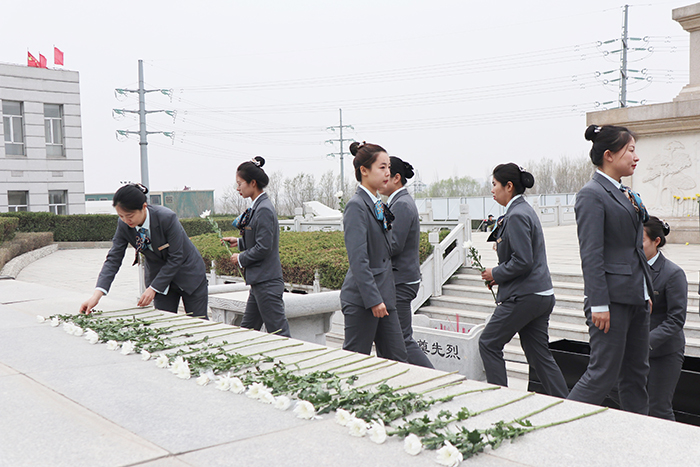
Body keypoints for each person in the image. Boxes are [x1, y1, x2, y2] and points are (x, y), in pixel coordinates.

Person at [567, 125, 653, 415]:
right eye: (630, 150)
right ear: (608, 155)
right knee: (602, 374)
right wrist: (598, 303)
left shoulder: (624, 192)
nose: (635, 157)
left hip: (636, 298)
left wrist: (645, 290)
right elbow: (591, 254)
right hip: (611, 302)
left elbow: (634, 248)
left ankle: (637, 433)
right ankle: (563, 423)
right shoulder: (592, 194)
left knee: (636, 375)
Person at [479, 163, 568, 397]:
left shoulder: (517, 214)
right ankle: (567, 403)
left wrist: (495, 273)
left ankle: (500, 399)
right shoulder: (523, 210)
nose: (492, 190)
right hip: (540, 294)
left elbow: (523, 261)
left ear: (509, 186)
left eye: (494, 185)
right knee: (539, 355)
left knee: (488, 343)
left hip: (524, 296)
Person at [80, 183, 209, 318]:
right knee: (163, 326)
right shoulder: (124, 225)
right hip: (160, 280)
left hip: (188, 275)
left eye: (129, 215)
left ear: (144, 207)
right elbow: (113, 258)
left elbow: (176, 257)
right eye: (121, 216)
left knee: (198, 323)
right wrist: (97, 295)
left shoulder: (166, 218)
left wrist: (153, 288)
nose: (125, 220)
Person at [340, 142, 407, 362]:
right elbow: (359, 259)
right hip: (363, 300)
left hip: (384, 296)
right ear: (364, 171)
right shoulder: (356, 206)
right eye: (382, 167)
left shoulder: (377, 203)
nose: (388, 172)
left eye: (388, 167)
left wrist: (382, 298)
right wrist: (373, 300)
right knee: (355, 362)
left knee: (397, 359)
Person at [221, 156, 291, 337]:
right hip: (259, 282)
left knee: (279, 333)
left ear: (252, 183)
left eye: (239, 183)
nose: (237, 188)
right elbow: (260, 240)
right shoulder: (258, 206)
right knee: (247, 330)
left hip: (266, 283)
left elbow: (264, 247)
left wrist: (241, 258)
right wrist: (240, 242)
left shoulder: (264, 209)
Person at [378, 155, 434, 368]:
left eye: (386, 174)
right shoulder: (397, 202)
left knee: (401, 338)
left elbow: (393, 245)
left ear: (397, 178)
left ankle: (434, 378)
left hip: (401, 281)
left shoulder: (400, 204)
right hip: (401, 279)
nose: (382, 178)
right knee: (393, 339)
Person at [643, 216, 687, 420]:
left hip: (664, 352)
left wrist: (646, 342)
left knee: (659, 407)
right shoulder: (632, 269)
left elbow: (676, 320)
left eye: (640, 240)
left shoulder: (673, 274)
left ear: (656, 241)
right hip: (634, 350)